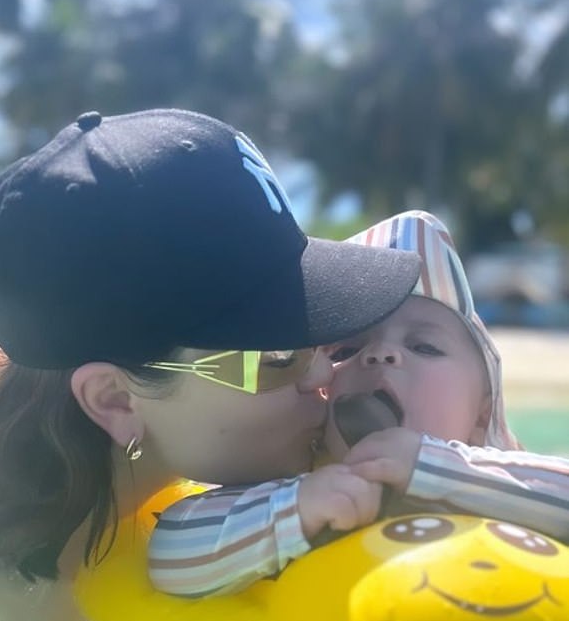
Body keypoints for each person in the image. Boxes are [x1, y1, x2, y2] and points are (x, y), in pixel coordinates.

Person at [0, 108, 422, 621]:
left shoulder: (177, 517)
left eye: (326, 341)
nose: (325, 376)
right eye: (277, 358)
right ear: (114, 400)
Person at [148, 211, 569, 597]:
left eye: (424, 345)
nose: (381, 355)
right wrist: (295, 511)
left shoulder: (507, 486)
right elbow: (168, 549)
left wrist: (443, 470)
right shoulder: (298, 494)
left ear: (482, 409)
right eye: (346, 348)